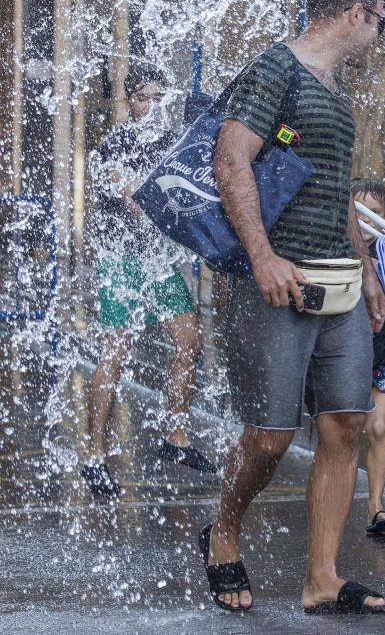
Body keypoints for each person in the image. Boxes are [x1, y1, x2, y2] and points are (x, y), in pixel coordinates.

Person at [201, 0, 385, 615]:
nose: (381, 31)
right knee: (270, 438)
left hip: (336, 284)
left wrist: (366, 268)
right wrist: (262, 257)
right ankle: (223, 529)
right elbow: (232, 159)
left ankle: (322, 578)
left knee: (346, 423)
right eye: (380, 17)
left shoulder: (335, 92)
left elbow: (337, 193)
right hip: (277, 283)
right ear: (355, 12)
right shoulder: (275, 69)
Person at [82, 64, 216, 502]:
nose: (152, 106)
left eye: (159, 98)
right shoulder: (113, 144)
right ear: (128, 102)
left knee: (189, 341)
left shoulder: (170, 143)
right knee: (116, 351)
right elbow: (135, 199)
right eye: (144, 98)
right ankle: (94, 456)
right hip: (121, 259)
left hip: (156, 259)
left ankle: (175, 437)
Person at [351, 178, 385, 536]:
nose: (368, 222)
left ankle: (376, 506)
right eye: (360, 213)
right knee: (344, 431)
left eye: (376, 214)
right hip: (347, 355)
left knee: (379, 427)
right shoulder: (340, 252)